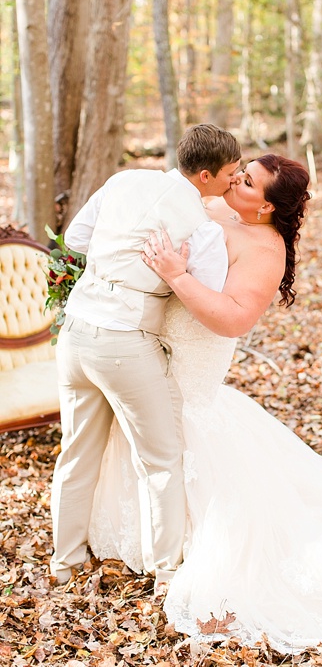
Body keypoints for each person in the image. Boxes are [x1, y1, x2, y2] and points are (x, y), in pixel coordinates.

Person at [88, 154, 322, 653]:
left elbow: (232, 319)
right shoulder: (214, 206)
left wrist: (177, 275)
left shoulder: (266, 250)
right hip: (145, 348)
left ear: (267, 206)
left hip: (194, 354)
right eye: (239, 172)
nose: (235, 180)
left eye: (246, 181)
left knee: (184, 437)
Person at [50, 124, 241, 591]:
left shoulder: (123, 180)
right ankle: (167, 574)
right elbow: (206, 294)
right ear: (204, 176)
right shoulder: (203, 228)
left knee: (75, 454)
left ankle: (63, 563)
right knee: (160, 460)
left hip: (75, 334)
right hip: (125, 344)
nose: (234, 182)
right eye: (231, 174)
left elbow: (75, 239)